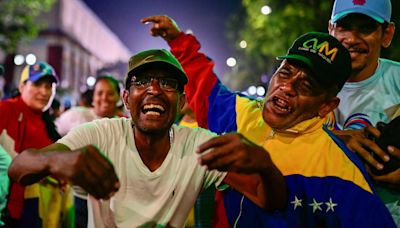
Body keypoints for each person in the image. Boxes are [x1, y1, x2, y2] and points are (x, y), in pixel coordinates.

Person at [142, 15, 396, 227]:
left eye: (306, 84)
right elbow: (203, 82)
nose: (287, 87)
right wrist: (177, 39)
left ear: (326, 106)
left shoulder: (342, 173)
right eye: (284, 73)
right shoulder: (238, 111)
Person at [8, 49, 287, 228]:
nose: (154, 89)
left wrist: (265, 165)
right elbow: (18, 167)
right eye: (142, 82)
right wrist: (58, 159)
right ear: (127, 99)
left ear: (180, 103)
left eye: (167, 83)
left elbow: (269, 200)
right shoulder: (101, 134)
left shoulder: (198, 146)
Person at [328, 0, 400, 225]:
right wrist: (336, 139)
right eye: (344, 27)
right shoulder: (305, 83)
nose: (351, 38)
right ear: (331, 30)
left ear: (387, 34)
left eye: (366, 28)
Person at [0, 62, 73, 227]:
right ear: (21, 86)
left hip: (39, 210)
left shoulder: (48, 125)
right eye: (37, 84)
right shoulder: (5, 110)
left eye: (49, 86)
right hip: (9, 210)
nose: (44, 91)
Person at [55, 74, 123, 228]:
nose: (104, 98)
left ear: (119, 97)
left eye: (110, 93)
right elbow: (53, 138)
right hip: (79, 196)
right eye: (100, 93)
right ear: (93, 97)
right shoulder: (76, 115)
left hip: (113, 198)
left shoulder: (126, 123)